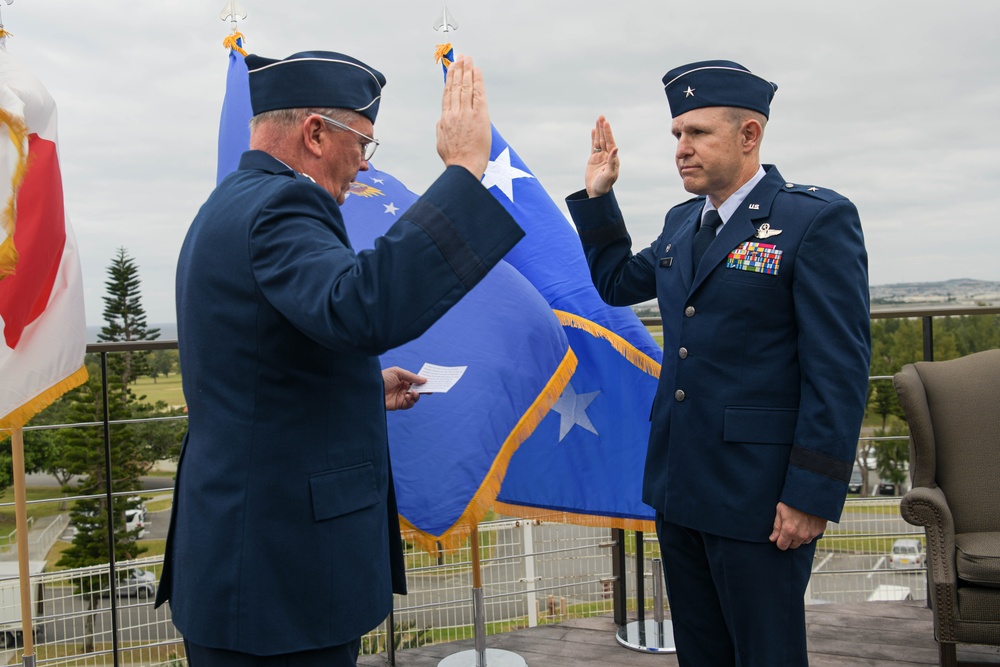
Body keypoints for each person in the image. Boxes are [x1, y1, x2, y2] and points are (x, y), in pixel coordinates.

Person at [155, 52, 524, 666]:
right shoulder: (282, 206)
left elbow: (264, 358)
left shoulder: (231, 202)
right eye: (363, 143)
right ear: (316, 132)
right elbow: (361, 308)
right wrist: (462, 171)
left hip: (249, 559)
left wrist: (360, 387)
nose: (363, 165)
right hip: (282, 575)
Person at [567, 60, 871, 665]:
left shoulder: (812, 221)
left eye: (699, 133)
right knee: (702, 652)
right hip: (683, 483)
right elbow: (616, 283)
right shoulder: (684, 222)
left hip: (759, 496)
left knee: (765, 653)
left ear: (749, 135)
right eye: (677, 134)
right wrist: (598, 198)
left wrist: (811, 493)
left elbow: (838, 369)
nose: (682, 148)